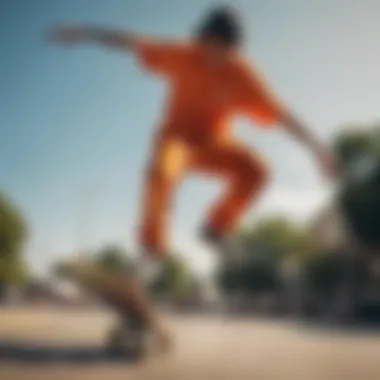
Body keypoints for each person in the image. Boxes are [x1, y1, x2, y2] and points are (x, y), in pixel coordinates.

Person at [49, 5, 337, 350]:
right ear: (202, 39)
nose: (213, 55)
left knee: (258, 170)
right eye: (209, 46)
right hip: (177, 139)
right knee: (161, 172)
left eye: (222, 50)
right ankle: (151, 251)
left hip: (215, 145)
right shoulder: (182, 53)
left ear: (233, 49)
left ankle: (216, 227)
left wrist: (317, 148)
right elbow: (131, 42)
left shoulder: (243, 75)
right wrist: (84, 33)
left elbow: (282, 115)